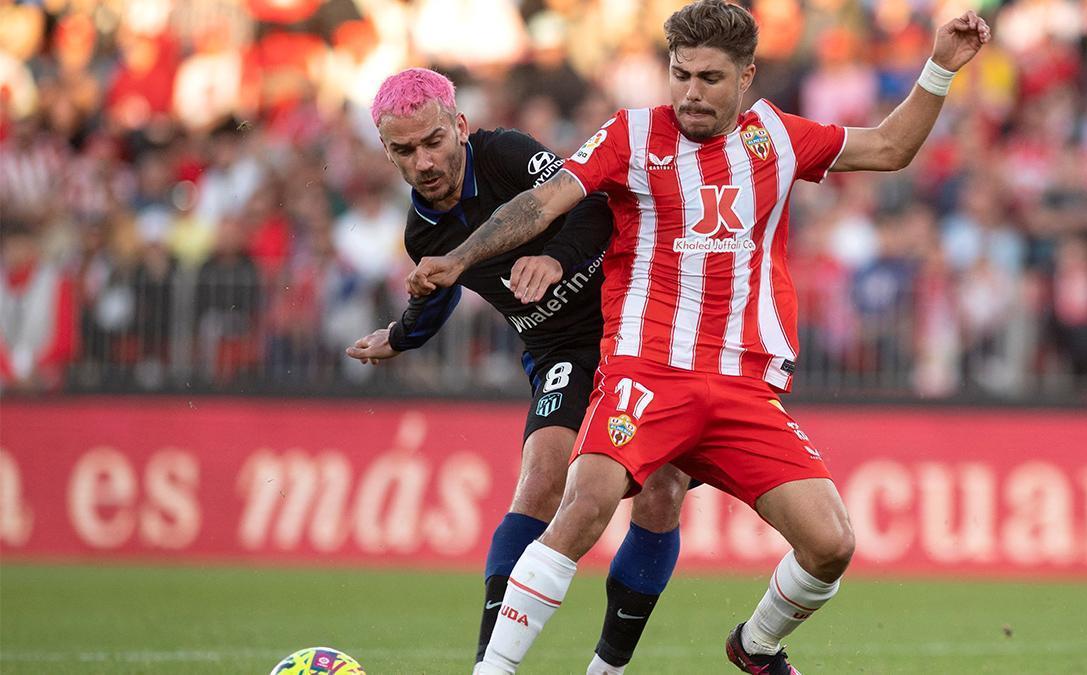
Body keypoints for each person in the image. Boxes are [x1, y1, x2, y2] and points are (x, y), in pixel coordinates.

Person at [407, 2, 991, 672]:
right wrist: (460, 257)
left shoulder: (776, 136)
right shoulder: (631, 136)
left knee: (831, 544)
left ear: (746, 77)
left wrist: (940, 67)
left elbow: (890, 147)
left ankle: (756, 644)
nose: (689, 91)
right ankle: (495, 669)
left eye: (709, 78)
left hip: (744, 387)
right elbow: (543, 201)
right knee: (585, 500)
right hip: (646, 371)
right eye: (680, 74)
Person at [343, 68, 692, 675]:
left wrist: (555, 259)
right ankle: (491, 665)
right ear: (387, 151)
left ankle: (607, 667)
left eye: (433, 141)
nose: (424, 162)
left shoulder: (504, 154)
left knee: (661, 490)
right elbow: (439, 289)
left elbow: (593, 208)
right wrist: (400, 338)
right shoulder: (420, 229)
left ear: (460, 126)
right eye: (405, 150)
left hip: (633, 325)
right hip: (559, 348)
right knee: (539, 481)